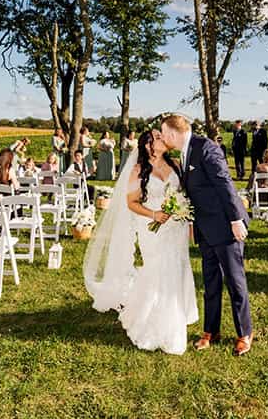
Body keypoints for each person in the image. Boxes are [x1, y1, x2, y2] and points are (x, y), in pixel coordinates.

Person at [83, 129, 198, 355]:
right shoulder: (138, 170)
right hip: (151, 228)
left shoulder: (175, 164)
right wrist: (154, 215)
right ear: (147, 146)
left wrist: (184, 214)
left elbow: (184, 194)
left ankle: (175, 317)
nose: (162, 139)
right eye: (157, 137)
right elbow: (132, 203)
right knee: (158, 270)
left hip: (176, 227)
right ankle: (153, 325)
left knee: (177, 269)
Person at [160, 115, 253, 356]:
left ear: (172, 133)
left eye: (163, 133)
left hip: (225, 226)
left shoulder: (206, 148)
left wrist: (235, 220)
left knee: (234, 281)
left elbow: (224, 184)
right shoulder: (184, 152)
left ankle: (244, 333)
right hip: (204, 228)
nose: (162, 137)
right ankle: (211, 330)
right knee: (211, 283)